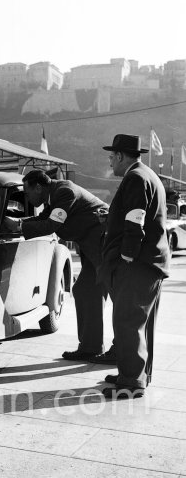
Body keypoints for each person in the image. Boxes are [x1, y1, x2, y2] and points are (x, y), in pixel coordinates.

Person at [4, 169, 114, 361]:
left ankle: (122, 350)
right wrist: (19, 222)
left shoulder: (64, 192)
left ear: (38, 187)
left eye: (28, 192)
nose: (27, 197)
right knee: (85, 291)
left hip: (102, 243)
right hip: (91, 245)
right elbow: (43, 218)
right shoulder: (54, 195)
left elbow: (50, 226)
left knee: (118, 296)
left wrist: (19, 227)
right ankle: (90, 347)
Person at [99, 134, 170, 399]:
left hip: (137, 264)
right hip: (150, 262)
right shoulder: (147, 174)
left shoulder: (136, 178)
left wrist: (127, 256)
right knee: (141, 323)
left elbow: (135, 219)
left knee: (127, 323)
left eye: (111, 157)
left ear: (120, 156)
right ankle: (137, 375)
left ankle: (130, 383)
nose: (110, 162)